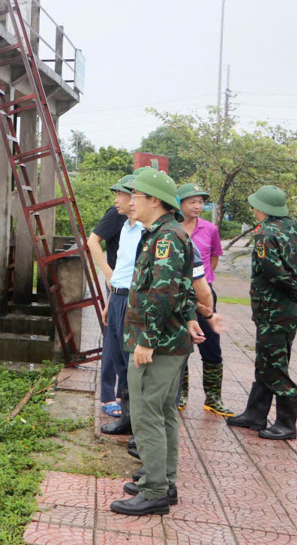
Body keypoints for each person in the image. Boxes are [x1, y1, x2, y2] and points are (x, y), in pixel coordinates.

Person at [111, 168, 203, 517]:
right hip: (170, 339)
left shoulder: (165, 237)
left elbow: (163, 292)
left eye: (136, 195)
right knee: (163, 412)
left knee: (147, 412)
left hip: (157, 342)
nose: (130, 201)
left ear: (154, 200)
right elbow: (183, 285)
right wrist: (191, 316)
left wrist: (146, 340)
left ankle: (154, 492)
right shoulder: (165, 233)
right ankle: (163, 480)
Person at [227, 185, 297, 440]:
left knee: (273, 364)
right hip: (284, 310)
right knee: (266, 359)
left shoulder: (265, 233)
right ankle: (255, 413)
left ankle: (286, 424)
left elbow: (273, 271)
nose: (253, 208)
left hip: (274, 308)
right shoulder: (290, 225)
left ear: (262, 208)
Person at [176, 183, 231, 416]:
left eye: (201, 202)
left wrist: (204, 285)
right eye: (192, 201)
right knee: (180, 346)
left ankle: (213, 397)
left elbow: (213, 260)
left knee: (211, 346)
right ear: (179, 203)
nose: (198, 206)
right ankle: (180, 394)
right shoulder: (172, 228)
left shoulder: (210, 229)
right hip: (178, 295)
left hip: (204, 293)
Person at [97, 175, 136, 419]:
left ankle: (128, 406)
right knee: (115, 347)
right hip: (119, 292)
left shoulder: (152, 230)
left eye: (119, 194)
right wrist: (109, 281)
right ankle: (110, 397)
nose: (115, 200)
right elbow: (94, 241)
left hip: (135, 295)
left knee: (127, 351)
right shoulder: (121, 221)